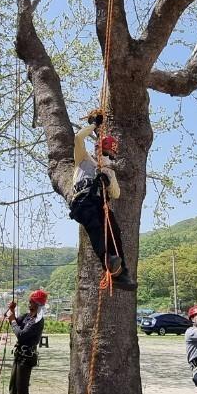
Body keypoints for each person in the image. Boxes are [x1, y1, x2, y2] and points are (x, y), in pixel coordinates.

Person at [68, 111, 136, 290]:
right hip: (83, 200)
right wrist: (94, 126)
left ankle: (122, 271)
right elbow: (78, 138)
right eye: (106, 153)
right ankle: (107, 260)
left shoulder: (107, 170)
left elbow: (116, 193)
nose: (108, 157)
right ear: (98, 149)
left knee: (114, 229)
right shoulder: (84, 159)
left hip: (98, 203)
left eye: (111, 156)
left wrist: (108, 177)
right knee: (96, 228)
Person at [6, 289, 47, 394]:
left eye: (31, 302)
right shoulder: (27, 316)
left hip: (27, 357)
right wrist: (11, 310)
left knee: (21, 387)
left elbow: (21, 334)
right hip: (19, 354)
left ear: (37, 304)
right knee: (13, 384)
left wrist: (12, 319)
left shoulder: (37, 321)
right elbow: (15, 322)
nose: (29, 304)